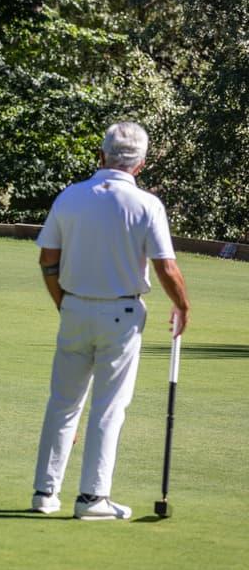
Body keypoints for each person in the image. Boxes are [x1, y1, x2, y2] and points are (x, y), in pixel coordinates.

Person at [29, 122, 191, 519]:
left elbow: (47, 259)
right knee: (108, 407)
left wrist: (62, 302)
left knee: (63, 403)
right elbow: (166, 267)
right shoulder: (147, 204)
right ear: (141, 164)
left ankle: (45, 494)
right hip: (121, 313)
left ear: (101, 155)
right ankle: (92, 499)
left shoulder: (70, 197)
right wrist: (182, 306)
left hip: (74, 309)